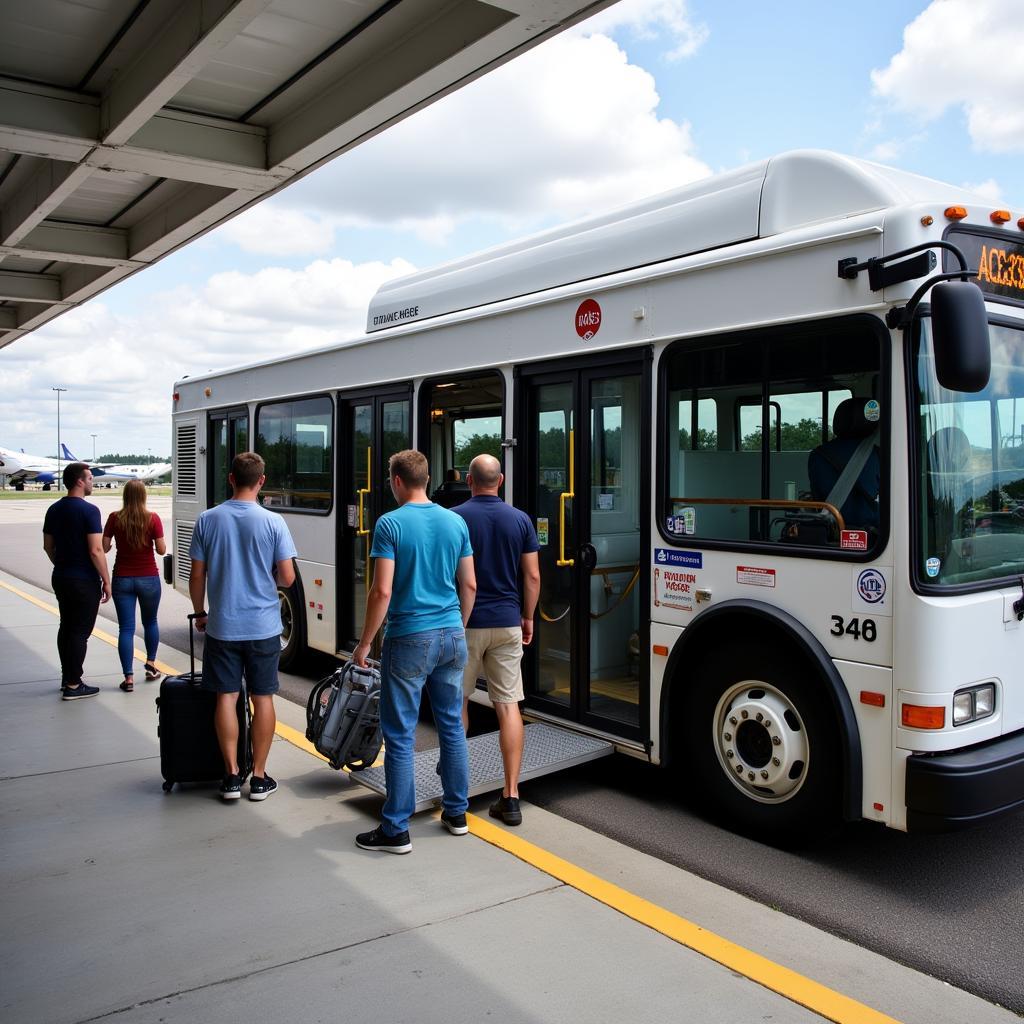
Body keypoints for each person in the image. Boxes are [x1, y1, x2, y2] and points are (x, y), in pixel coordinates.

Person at [352, 449, 476, 854]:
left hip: (409, 637)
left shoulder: (390, 524)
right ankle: (457, 813)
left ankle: (396, 828)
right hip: (451, 634)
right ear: (427, 478)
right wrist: (458, 624)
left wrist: (366, 641)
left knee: (401, 735)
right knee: (451, 726)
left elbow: (382, 590)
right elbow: (469, 585)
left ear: (397, 481)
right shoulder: (455, 520)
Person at [189, 452, 297, 802]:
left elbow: (197, 575)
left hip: (223, 626)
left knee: (227, 696)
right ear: (261, 481)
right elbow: (288, 576)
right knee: (262, 697)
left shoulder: (208, 519)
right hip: (264, 626)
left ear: (231, 478)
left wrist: (200, 613)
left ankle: (232, 776)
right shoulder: (273, 522)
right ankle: (261, 777)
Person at [454, 453, 540, 826]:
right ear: (500, 480)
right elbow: (533, 577)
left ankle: (455, 778)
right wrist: (528, 617)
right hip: (507, 623)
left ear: (469, 481)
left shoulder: (455, 517)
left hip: (467, 622)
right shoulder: (520, 519)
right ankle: (511, 796)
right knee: (508, 706)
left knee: (456, 701)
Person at [42, 462, 111, 700]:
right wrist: (106, 580)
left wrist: (63, 564)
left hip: (61, 576)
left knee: (67, 627)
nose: (92, 482)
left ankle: (67, 676)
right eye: (90, 478)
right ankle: (74, 684)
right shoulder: (89, 511)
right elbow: (96, 550)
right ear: (80, 481)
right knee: (80, 631)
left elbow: (48, 546)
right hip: (83, 580)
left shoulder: (53, 509)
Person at [102, 479, 166, 692]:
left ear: (125, 496)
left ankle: (128, 678)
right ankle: (151, 665)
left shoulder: (114, 518)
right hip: (149, 578)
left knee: (126, 628)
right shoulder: (153, 519)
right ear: (144, 496)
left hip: (122, 578)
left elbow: (105, 547)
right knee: (150, 622)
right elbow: (162, 550)